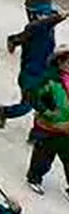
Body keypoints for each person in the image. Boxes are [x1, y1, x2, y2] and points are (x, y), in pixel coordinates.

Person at [0, 11, 67, 127]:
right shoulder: (36, 28)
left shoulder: (47, 31)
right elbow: (47, 22)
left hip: (43, 73)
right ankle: (5, 112)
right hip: (30, 76)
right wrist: (62, 16)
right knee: (26, 106)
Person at [25, 44, 69, 196]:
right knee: (43, 155)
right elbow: (33, 97)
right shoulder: (49, 79)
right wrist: (48, 113)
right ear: (59, 62)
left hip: (67, 127)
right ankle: (34, 178)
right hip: (49, 127)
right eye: (67, 62)